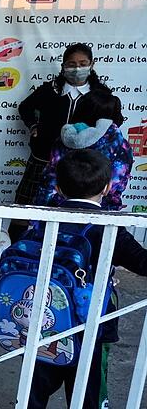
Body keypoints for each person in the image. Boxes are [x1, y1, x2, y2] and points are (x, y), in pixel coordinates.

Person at [27, 149, 147, 409]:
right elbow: (142, 262)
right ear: (106, 188)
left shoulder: (44, 221)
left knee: (33, 390)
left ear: (58, 188)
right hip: (92, 322)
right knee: (88, 393)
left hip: (45, 318)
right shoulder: (108, 227)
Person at [11, 43, 120, 241]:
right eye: (71, 64)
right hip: (43, 159)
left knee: (72, 216)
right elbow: (25, 107)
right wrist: (33, 126)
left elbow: (114, 122)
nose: (77, 69)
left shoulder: (101, 95)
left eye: (83, 64)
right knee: (25, 210)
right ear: (63, 66)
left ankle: (67, 250)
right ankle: (19, 249)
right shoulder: (50, 90)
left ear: (92, 64)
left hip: (81, 167)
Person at [36, 90, 132, 211]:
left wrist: (41, 210)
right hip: (101, 211)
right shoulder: (120, 145)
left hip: (58, 208)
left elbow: (49, 180)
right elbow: (117, 184)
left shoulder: (64, 139)